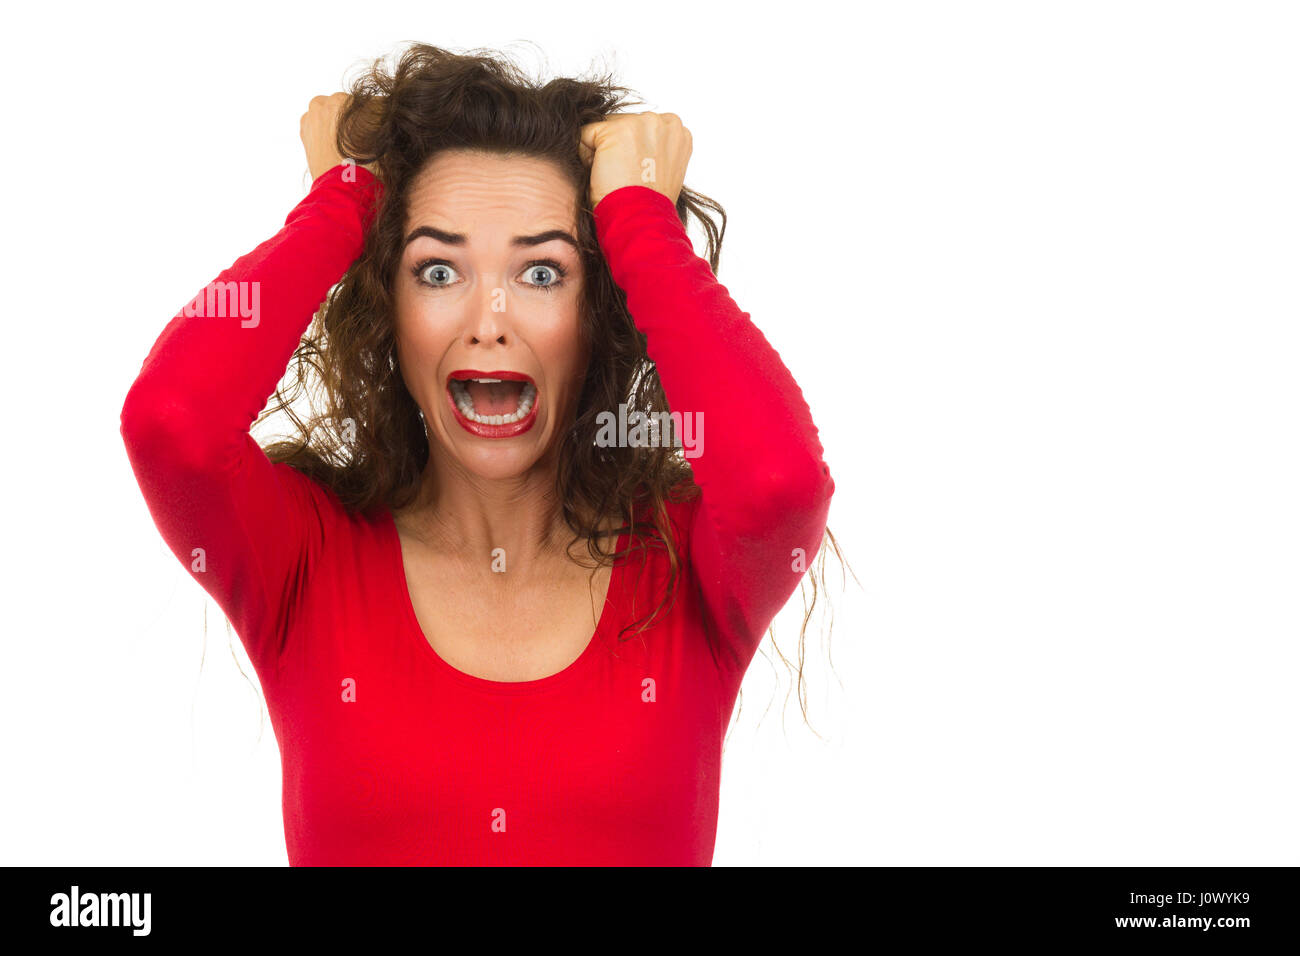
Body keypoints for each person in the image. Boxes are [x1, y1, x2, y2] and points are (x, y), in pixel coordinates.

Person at [120, 44, 834, 865]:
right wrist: (340, 202)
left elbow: (780, 484)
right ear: (389, 309)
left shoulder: (683, 566)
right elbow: (170, 426)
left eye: (540, 272)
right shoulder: (307, 558)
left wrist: (639, 220)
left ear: (597, 311)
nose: (488, 320)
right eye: (437, 269)